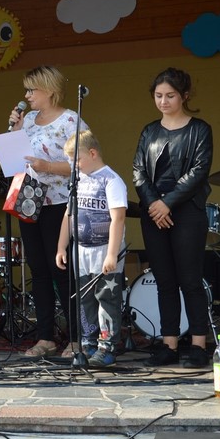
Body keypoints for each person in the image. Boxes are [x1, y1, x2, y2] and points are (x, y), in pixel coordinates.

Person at [132, 67, 213, 368]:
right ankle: (169, 345)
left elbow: (199, 171)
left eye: (170, 96)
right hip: (154, 212)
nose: (163, 101)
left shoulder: (200, 129)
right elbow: (138, 171)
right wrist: (155, 204)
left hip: (187, 211)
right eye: (158, 96)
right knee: (164, 280)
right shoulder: (149, 131)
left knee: (190, 280)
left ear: (184, 96)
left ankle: (198, 345)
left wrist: (167, 203)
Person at [7, 65, 87, 358]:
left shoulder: (70, 120)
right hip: (30, 200)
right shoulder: (27, 119)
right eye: (26, 90)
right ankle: (45, 337)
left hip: (60, 204)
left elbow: (83, 162)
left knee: (61, 269)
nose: (27, 95)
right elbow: (13, 162)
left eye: (32, 90)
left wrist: (49, 166)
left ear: (50, 90)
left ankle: (76, 338)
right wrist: (15, 131)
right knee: (38, 270)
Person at [55, 130, 126, 367]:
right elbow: (68, 215)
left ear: (92, 153)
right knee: (85, 298)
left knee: (107, 298)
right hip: (82, 251)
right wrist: (62, 247)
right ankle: (88, 343)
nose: (73, 165)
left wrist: (112, 254)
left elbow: (118, 218)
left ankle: (107, 347)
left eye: (76, 159)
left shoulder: (111, 180)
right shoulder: (78, 181)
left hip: (104, 249)